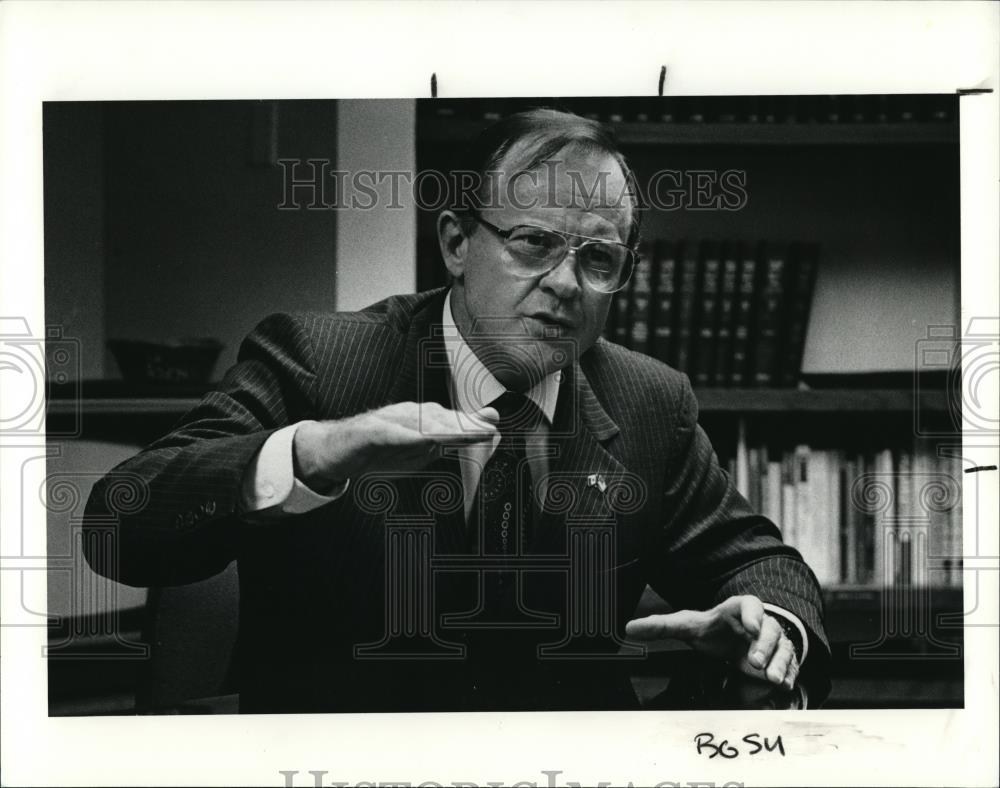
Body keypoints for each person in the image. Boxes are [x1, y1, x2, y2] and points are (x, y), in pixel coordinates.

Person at [83, 108, 830, 712]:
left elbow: (762, 564)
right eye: (534, 244)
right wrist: (308, 455)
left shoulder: (648, 399)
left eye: (598, 260)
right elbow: (120, 527)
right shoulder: (315, 359)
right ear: (455, 243)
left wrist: (774, 631)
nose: (566, 283)